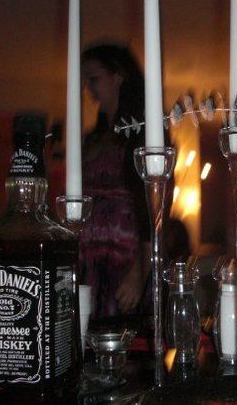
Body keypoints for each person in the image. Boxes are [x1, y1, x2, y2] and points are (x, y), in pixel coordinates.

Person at [80, 42, 152, 318]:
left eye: (93, 78)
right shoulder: (94, 137)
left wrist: (139, 271)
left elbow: (152, 207)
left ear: (118, 76)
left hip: (127, 257)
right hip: (90, 259)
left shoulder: (143, 134)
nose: (88, 87)